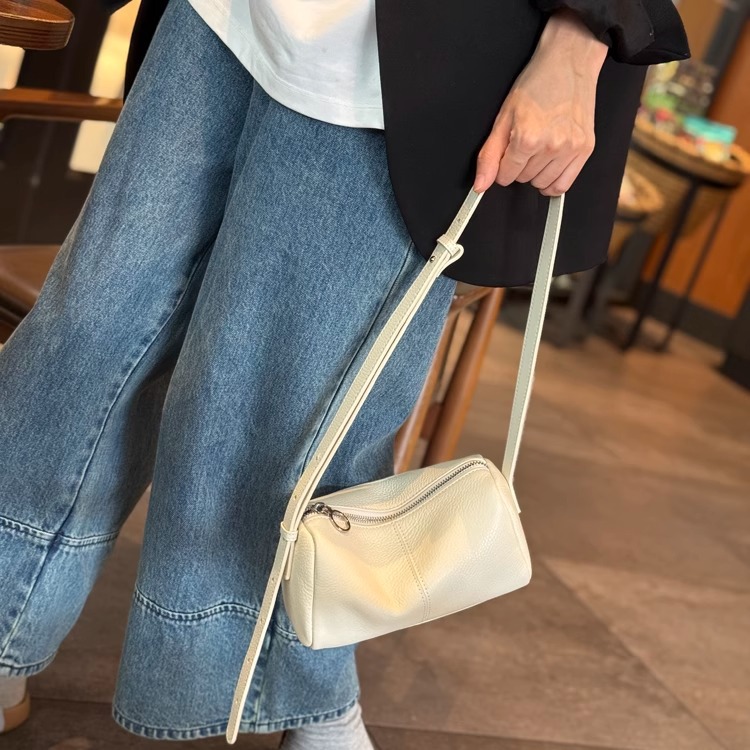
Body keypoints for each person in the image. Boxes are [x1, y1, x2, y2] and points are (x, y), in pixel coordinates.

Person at [0, 0, 688, 746]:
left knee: (291, 409)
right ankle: (7, 618)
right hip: (223, 16)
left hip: (417, 59)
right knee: (85, 331)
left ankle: (301, 690)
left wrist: (581, 37)